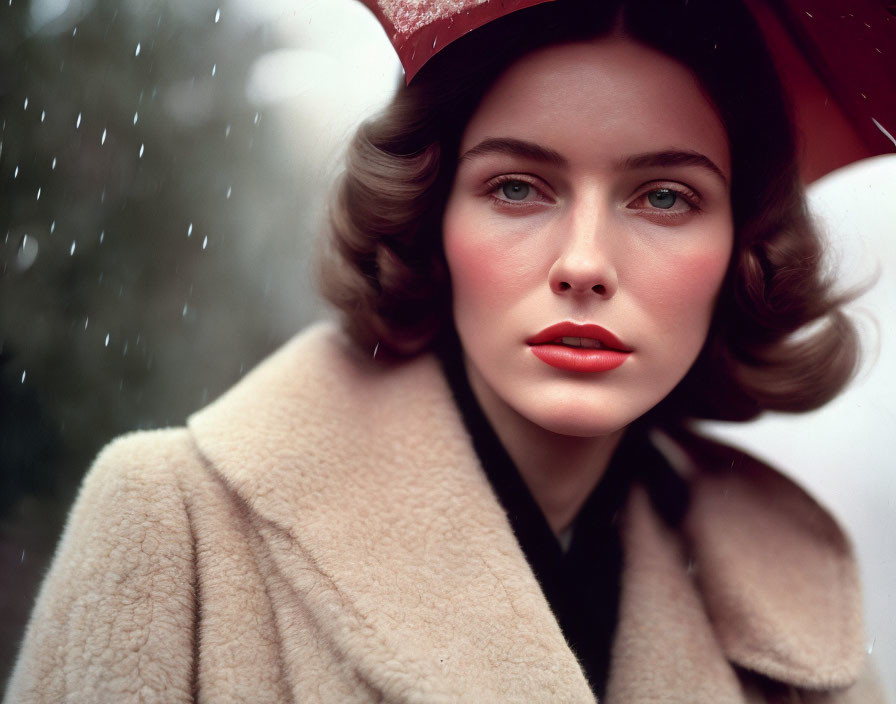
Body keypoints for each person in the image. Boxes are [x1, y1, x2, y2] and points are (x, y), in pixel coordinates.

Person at [5, 0, 886, 701]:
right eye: (516, 187)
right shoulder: (177, 528)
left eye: (663, 197)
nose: (584, 264)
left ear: (740, 248)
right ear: (429, 218)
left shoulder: (792, 619)